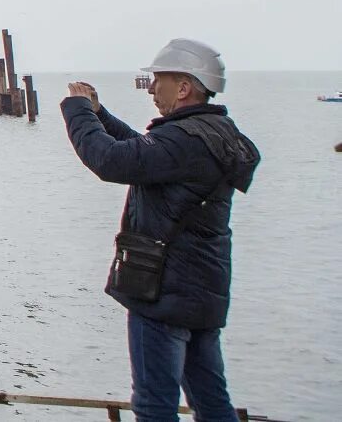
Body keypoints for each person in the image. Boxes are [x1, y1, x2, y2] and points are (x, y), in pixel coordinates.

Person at [62, 40, 261, 422]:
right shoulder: (212, 133)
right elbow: (145, 153)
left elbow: (110, 161)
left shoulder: (183, 140)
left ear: (184, 87)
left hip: (162, 294)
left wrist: (78, 110)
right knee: (211, 402)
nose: (151, 88)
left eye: (158, 80)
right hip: (202, 292)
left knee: (154, 406)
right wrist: (100, 115)